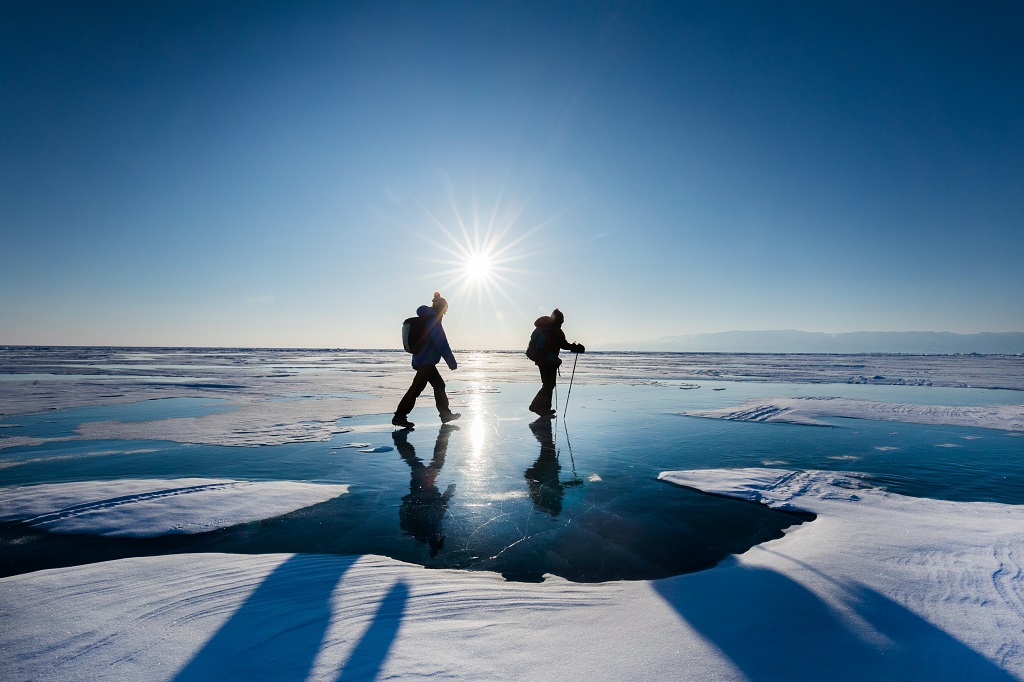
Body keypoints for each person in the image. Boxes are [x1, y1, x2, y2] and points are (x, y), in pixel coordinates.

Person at [393, 292, 461, 428]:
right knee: (416, 389)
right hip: (426, 362)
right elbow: (441, 342)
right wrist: (451, 362)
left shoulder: (428, 318)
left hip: (423, 360)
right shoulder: (433, 321)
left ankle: (445, 414)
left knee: (439, 385)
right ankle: (399, 416)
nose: (445, 312)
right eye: (445, 309)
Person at [527, 308, 584, 417]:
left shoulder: (542, 328)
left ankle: (545, 408)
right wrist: (576, 348)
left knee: (548, 384)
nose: (562, 323)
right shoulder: (555, 330)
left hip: (540, 358)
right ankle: (535, 404)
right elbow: (564, 345)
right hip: (548, 360)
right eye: (561, 320)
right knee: (549, 385)